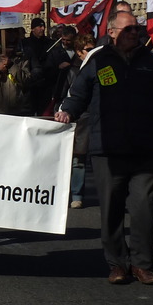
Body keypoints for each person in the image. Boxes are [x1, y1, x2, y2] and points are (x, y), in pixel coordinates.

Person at [55, 10, 153, 285]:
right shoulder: (98, 59)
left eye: (136, 29)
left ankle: (142, 264)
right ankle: (117, 264)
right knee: (112, 210)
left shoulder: (150, 63)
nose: (134, 34)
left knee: (143, 209)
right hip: (107, 149)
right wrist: (68, 111)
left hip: (143, 148)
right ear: (112, 32)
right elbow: (79, 93)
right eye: (127, 30)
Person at [59, 33, 96, 209]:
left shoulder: (99, 67)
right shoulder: (71, 71)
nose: (91, 52)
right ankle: (68, 193)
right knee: (71, 158)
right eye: (88, 50)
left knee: (85, 157)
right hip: (73, 117)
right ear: (79, 52)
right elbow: (61, 92)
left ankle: (79, 193)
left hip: (90, 117)